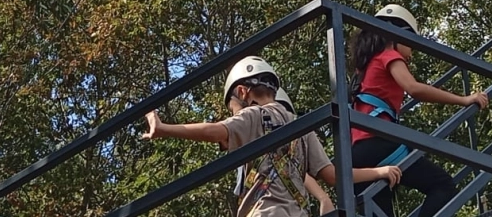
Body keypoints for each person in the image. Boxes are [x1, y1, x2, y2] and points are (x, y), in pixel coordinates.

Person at [143, 56, 401, 217]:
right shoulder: (301, 126)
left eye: (231, 109)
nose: (234, 115)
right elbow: (333, 176)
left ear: (243, 92)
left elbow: (216, 131)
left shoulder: (253, 116)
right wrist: (377, 172)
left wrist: (165, 128)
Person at [348, 3, 487, 217]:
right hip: (381, 143)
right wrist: (463, 99)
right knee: (443, 186)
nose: (411, 53)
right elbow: (413, 88)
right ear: (397, 34)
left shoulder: (363, 69)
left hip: (358, 152)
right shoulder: (388, 55)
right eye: (410, 42)